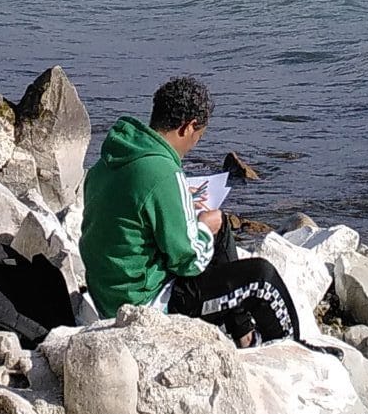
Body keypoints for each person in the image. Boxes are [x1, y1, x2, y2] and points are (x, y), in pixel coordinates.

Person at [79, 75, 302, 344]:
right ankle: (293, 349)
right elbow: (189, 260)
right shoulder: (161, 172)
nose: (196, 143)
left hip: (111, 292)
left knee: (217, 232)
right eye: (199, 135)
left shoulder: (108, 163)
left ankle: (242, 334)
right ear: (188, 127)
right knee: (262, 280)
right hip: (146, 305)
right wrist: (205, 227)